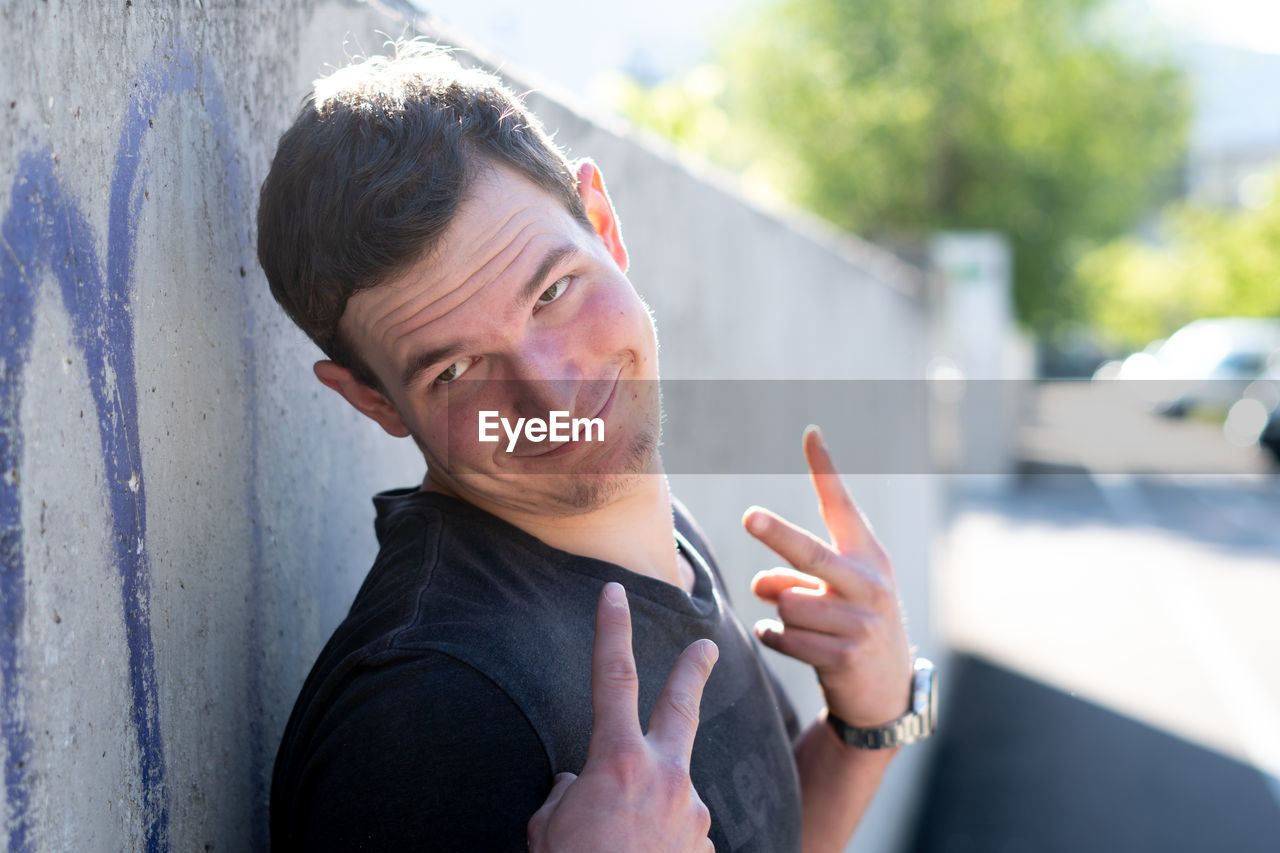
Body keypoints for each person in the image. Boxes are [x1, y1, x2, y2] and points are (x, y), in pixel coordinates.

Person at [258, 39, 932, 852]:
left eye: (552, 291)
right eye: (457, 369)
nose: (552, 393)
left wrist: (869, 722)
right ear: (372, 399)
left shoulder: (653, 532)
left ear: (606, 227)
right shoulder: (432, 714)